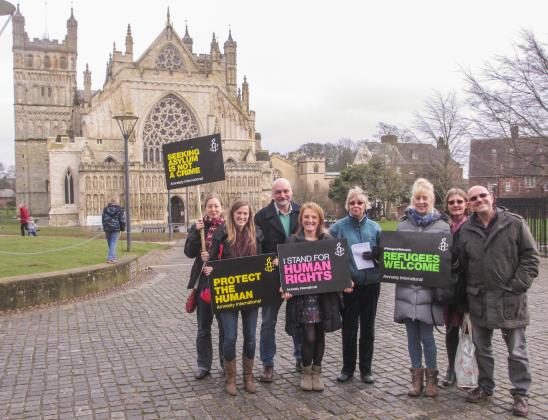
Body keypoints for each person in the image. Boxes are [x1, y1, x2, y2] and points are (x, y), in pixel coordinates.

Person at [458, 185, 539, 417]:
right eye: (473, 198)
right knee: (481, 349)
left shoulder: (514, 223)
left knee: (517, 352)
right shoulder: (466, 230)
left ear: (492, 198)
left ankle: (521, 395)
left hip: (510, 300)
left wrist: (517, 286)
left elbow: (531, 258)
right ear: (470, 204)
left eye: (483, 195)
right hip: (479, 300)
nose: (479, 200)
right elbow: (462, 266)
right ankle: (485, 387)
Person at [394, 178, 449, 398]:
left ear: (432, 200)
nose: (421, 201)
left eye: (425, 198)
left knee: (427, 336)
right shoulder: (402, 225)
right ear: (412, 200)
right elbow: (394, 255)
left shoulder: (443, 227)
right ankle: (416, 379)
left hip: (429, 291)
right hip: (407, 290)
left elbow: (447, 260)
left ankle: (432, 379)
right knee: (411, 337)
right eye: (417, 197)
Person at [282, 202, 345, 391]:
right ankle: (306, 371)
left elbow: (338, 269)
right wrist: (285, 287)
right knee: (308, 336)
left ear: (319, 220)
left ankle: (317, 373)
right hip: (303, 299)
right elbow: (285, 272)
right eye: (306, 217)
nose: (310, 221)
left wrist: (345, 283)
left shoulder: (328, 240)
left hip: (323, 298)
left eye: (314, 218)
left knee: (320, 335)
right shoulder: (292, 242)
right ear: (301, 219)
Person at [204, 200, 264, 395]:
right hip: (228, 294)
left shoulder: (258, 234)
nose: (242, 217)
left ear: (250, 215)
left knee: (250, 338)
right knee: (229, 337)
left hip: (251, 294)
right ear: (232, 214)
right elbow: (212, 261)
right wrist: (210, 268)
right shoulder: (222, 234)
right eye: (239, 213)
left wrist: (273, 264)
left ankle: (248, 376)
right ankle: (230, 377)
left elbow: (264, 260)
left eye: (246, 214)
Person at [329, 186, 382, 384]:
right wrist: (344, 279)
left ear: (365, 205)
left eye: (359, 202)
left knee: (368, 328)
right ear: (347, 205)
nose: (356, 206)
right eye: (352, 203)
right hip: (350, 286)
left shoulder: (375, 228)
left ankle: (366, 369)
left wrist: (379, 255)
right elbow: (332, 258)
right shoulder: (338, 228)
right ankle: (347, 368)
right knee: (350, 329)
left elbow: (385, 257)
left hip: (371, 284)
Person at [254, 178, 302, 382]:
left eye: (285, 191)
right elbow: (256, 249)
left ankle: (301, 358)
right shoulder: (261, 216)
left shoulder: (302, 212)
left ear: (291, 192)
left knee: (300, 319)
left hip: (298, 274)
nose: (282, 196)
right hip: (271, 277)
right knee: (267, 322)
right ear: (272, 194)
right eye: (278, 192)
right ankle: (268, 364)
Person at [184, 193, 225, 380]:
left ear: (221, 208)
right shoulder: (199, 227)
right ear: (205, 208)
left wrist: (214, 257)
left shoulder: (227, 227)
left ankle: (226, 363)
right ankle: (203, 364)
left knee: (225, 327)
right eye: (210, 206)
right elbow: (189, 252)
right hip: (203, 282)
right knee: (203, 327)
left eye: (216, 206)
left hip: (223, 281)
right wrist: (194, 231)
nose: (213, 209)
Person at [440, 188, 469, 387]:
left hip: (468, 286)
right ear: (447, 206)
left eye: (460, 201)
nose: (456, 205)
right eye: (452, 202)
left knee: (470, 331)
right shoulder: (444, 227)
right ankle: (451, 369)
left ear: (466, 204)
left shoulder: (472, 226)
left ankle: (468, 369)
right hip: (450, 286)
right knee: (451, 330)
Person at [101, 196, 126, 264]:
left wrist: (104, 227)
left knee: (110, 243)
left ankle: (113, 257)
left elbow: (103, 219)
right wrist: (122, 228)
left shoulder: (105, 209)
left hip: (107, 228)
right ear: (117, 201)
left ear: (111, 201)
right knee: (113, 243)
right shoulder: (120, 209)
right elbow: (122, 220)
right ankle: (110, 258)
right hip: (115, 228)